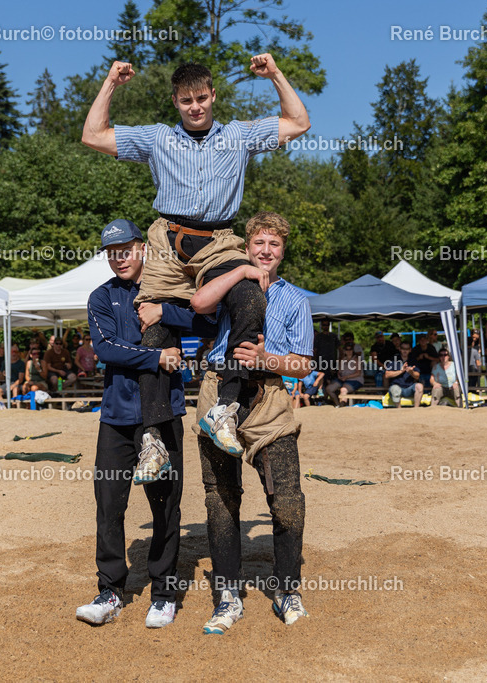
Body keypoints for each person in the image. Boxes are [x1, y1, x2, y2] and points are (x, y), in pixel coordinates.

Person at [82, 55, 310, 463]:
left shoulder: (239, 135)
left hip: (219, 238)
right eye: (186, 101)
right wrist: (111, 83)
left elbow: (298, 123)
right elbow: (94, 135)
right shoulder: (157, 138)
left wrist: (275, 74)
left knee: (250, 296)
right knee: (151, 321)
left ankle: (226, 405)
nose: (195, 107)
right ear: (175, 102)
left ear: (213, 96)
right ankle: (152, 438)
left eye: (202, 98)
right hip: (169, 239)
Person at [179, 211, 313, 633]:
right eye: (259, 244)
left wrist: (266, 358)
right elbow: (198, 303)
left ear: (283, 251)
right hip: (218, 389)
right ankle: (227, 596)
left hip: (270, 397)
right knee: (221, 501)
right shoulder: (229, 288)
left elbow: (304, 365)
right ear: (248, 246)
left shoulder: (295, 300)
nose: (267, 251)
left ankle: (287, 590)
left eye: (274, 245)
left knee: (288, 501)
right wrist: (239, 269)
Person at [76, 220, 211, 629]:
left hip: (163, 413)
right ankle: (111, 591)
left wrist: (166, 312)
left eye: (125, 249)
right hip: (116, 418)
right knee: (109, 505)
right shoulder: (102, 297)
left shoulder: (169, 287)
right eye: (111, 252)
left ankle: (164, 594)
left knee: (165, 506)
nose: (118, 258)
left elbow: (206, 322)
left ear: (142, 248)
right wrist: (156, 357)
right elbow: (104, 349)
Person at [385, 341, 424, 408]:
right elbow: (387, 374)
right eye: (403, 349)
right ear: (400, 349)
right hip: (397, 386)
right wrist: (401, 371)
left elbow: (417, 376)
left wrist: (411, 372)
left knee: (420, 386)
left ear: (410, 350)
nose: (405, 351)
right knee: (395, 389)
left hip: (409, 388)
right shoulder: (394, 359)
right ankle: (399, 410)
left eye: (407, 349)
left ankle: (416, 409)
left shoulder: (413, 360)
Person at [314, 320, 340, 387]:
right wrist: (314, 362)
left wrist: (339, 361)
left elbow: (340, 349)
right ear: (321, 326)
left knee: (331, 380)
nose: (326, 326)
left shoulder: (333, 336)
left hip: (332, 362)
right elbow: (315, 350)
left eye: (327, 325)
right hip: (320, 361)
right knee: (321, 379)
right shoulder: (318, 337)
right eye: (324, 325)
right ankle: (322, 395)